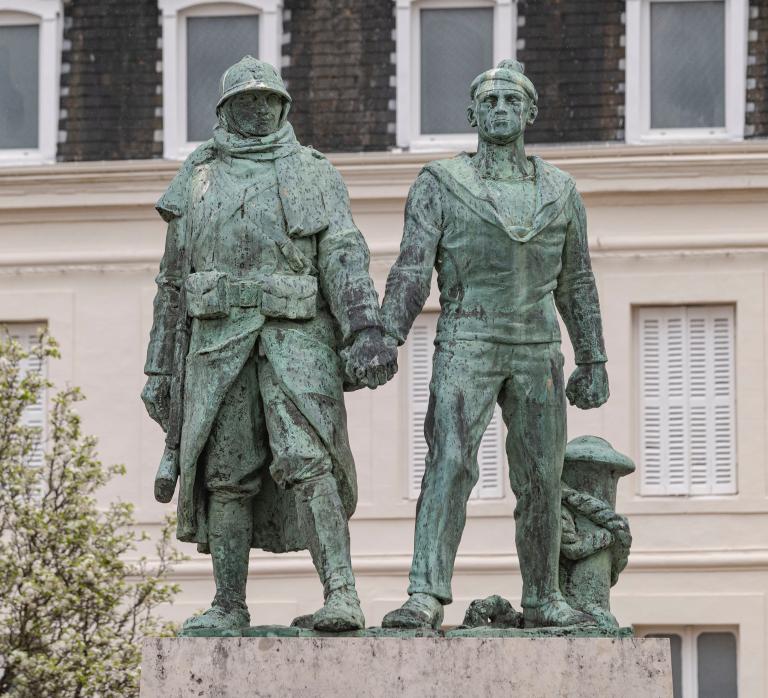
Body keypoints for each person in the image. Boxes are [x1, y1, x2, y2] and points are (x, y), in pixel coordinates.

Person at [141, 56, 397, 634]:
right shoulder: (198, 175)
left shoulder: (312, 170)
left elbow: (343, 252)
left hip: (294, 335)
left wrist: (365, 328)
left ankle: (342, 596)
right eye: (244, 101)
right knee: (225, 473)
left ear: (282, 106)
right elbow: (172, 282)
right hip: (216, 341)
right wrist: (159, 369)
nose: (256, 109)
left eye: (267, 100)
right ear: (225, 110)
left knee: (311, 460)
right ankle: (229, 604)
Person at [379, 60, 609, 630]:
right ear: (471, 114)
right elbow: (410, 271)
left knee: (541, 476)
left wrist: (594, 358)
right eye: (490, 101)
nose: (501, 109)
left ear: (530, 112)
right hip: (467, 338)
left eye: (512, 100)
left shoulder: (560, 190)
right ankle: (425, 594)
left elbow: (577, 281)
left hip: (537, 345)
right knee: (450, 462)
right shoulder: (440, 183)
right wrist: (385, 337)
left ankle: (543, 596)